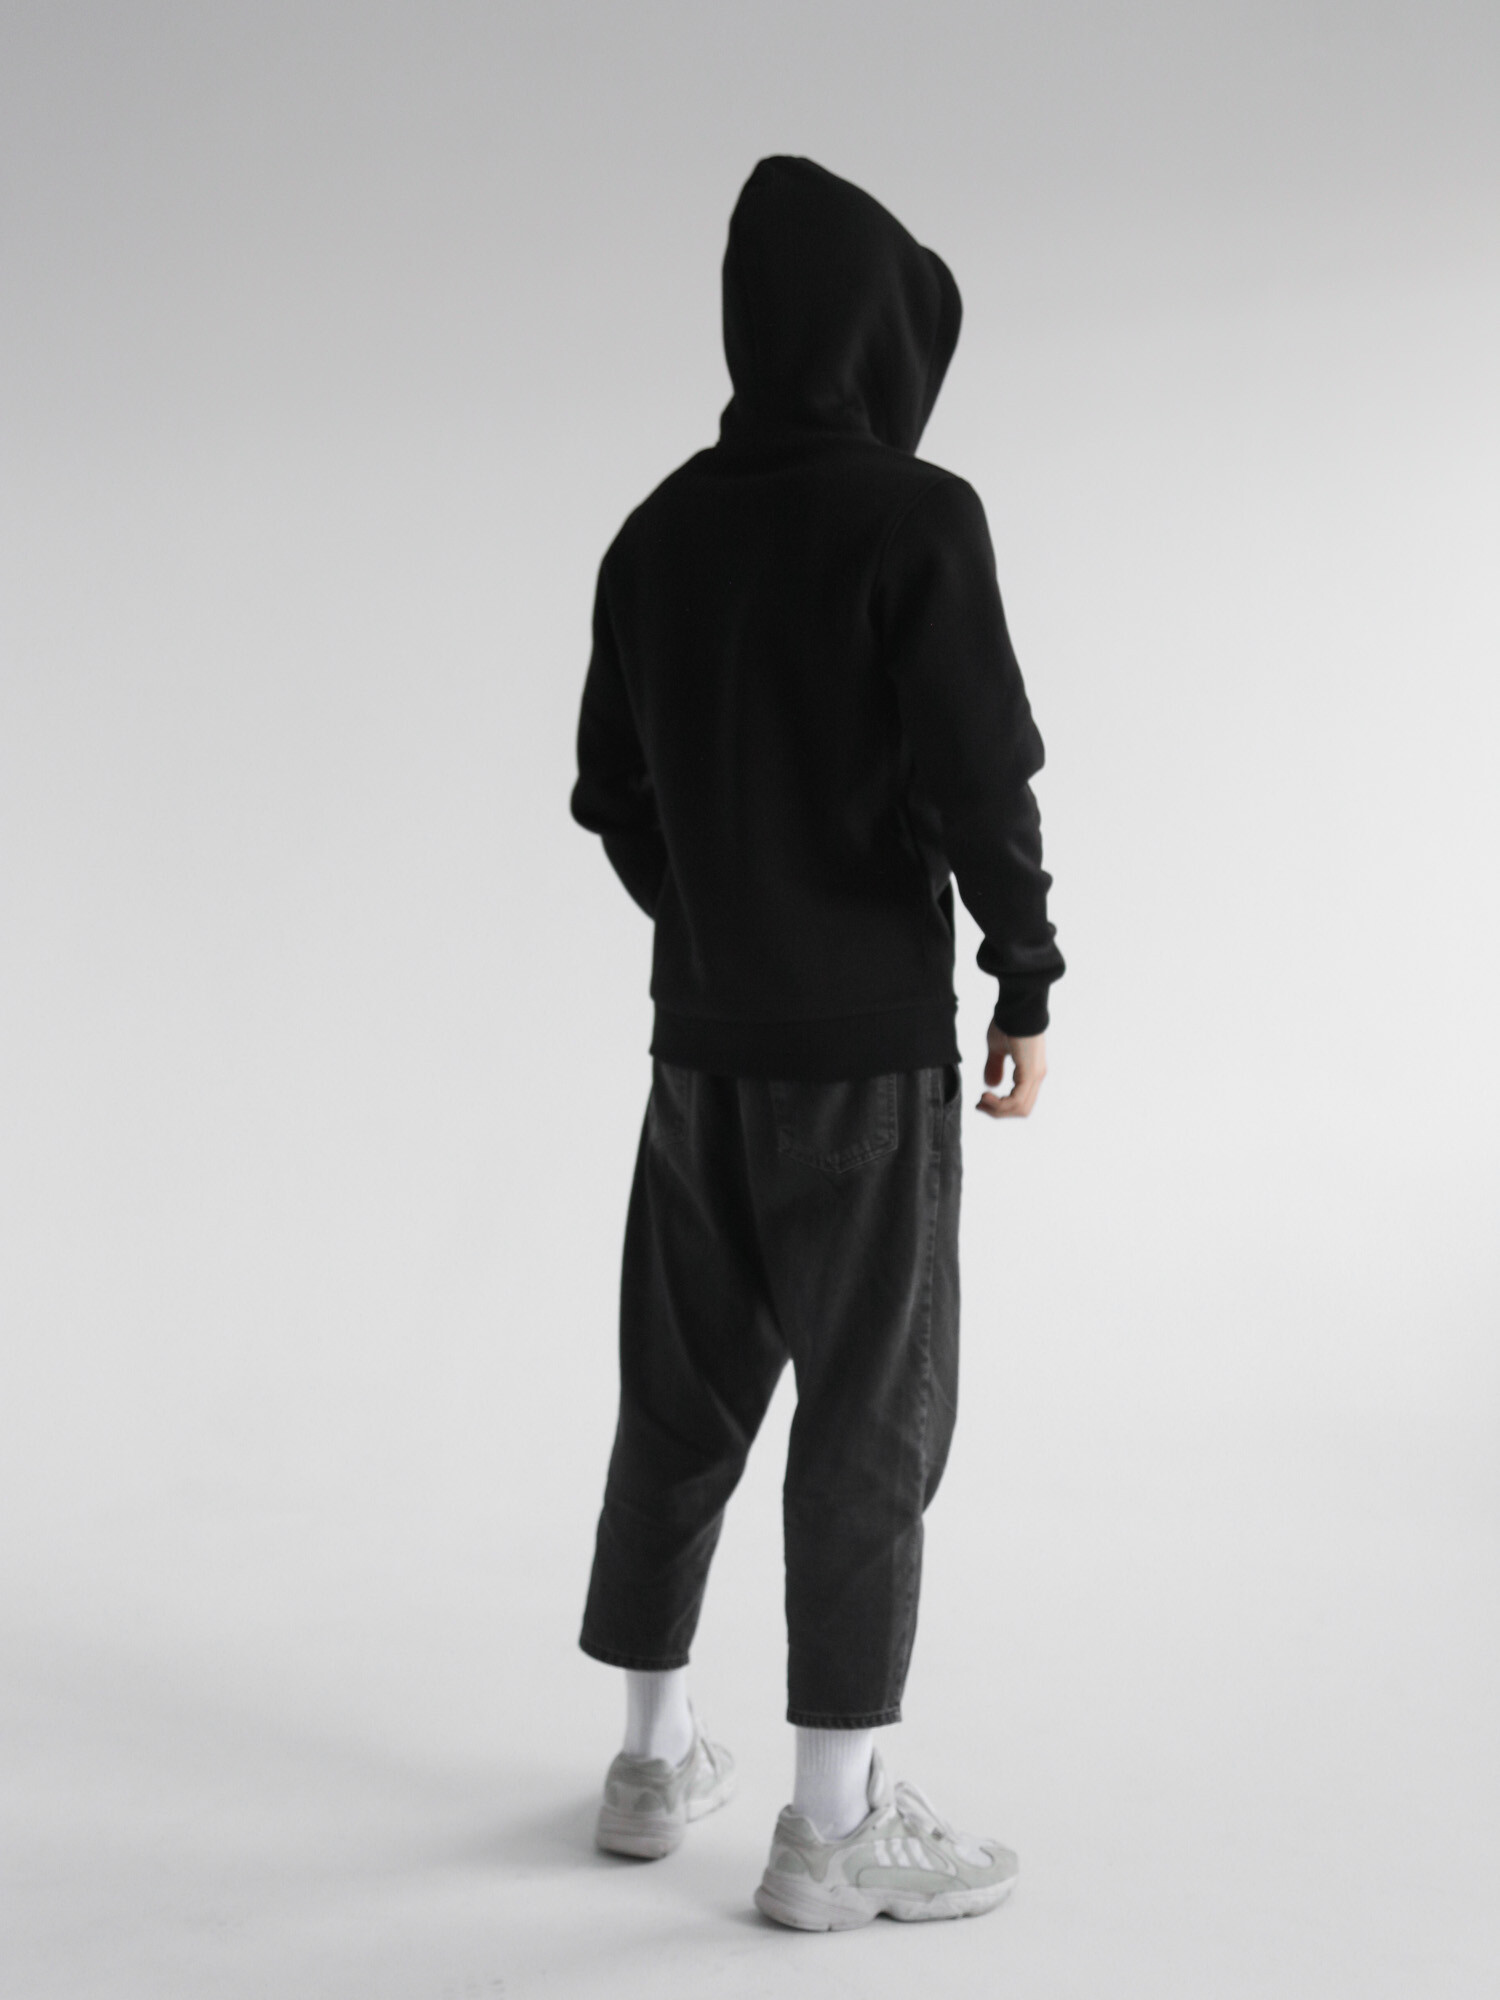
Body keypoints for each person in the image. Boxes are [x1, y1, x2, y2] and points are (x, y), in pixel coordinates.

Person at [569, 154, 1064, 1931]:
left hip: (698, 1054)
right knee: (873, 1417)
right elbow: (983, 775)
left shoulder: (654, 533)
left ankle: (649, 1763)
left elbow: (608, 795)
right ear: (875, 333)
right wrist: (1024, 976)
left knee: (679, 1397)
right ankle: (833, 1827)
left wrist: (721, 921)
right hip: (864, 1061)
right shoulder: (916, 520)